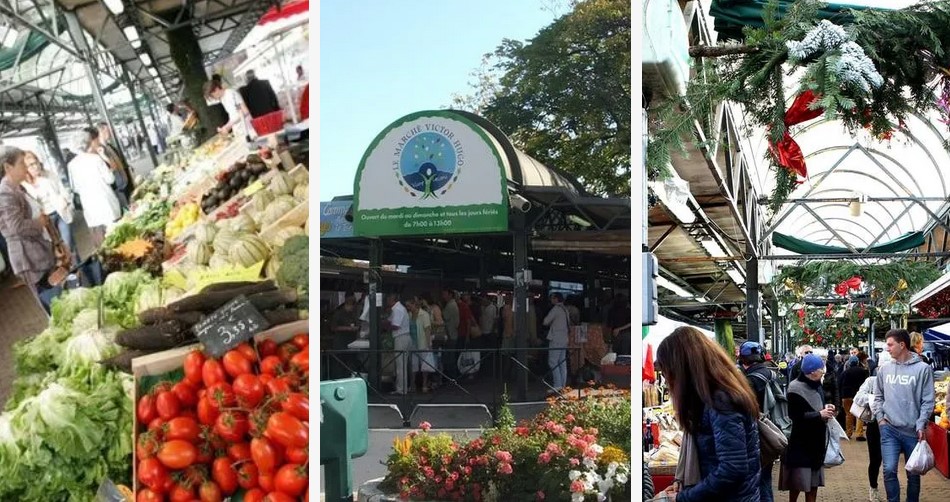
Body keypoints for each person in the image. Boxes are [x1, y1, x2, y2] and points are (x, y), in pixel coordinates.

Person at [657, 327, 760, 502]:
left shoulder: (720, 399)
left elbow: (732, 467)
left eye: (668, 372)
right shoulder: (716, 393)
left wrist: (684, 497)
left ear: (683, 367)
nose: (667, 380)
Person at [873, 329, 935, 502]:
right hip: (889, 429)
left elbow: (928, 400)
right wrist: (880, 419)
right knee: (889, 470)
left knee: (913, 473)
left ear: (902, 345)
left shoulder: (923, 369)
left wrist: (921, 423)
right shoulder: (884, 369)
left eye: (890, 344)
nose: (887, 348)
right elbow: (877, 396)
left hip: (913, 431)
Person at [0, 146, 64, 313]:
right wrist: (40, 222)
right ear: (8, 167)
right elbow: (16, 226)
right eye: (21, 163)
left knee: (56, 295)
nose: (26, 167)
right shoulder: (5, 193)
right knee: (51, 301)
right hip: (29, 257)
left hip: (38, 252)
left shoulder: (17, 187)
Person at [779, 353, 834, 502]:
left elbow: (818, 406)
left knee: (813, 484)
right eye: (820, 369)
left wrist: (827, 409)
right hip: (801, 443)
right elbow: (795, 415)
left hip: (817, 443)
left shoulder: (817, 385)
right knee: (797, 482)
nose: (823, 371)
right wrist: (818, 414)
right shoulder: (795, 387)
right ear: (811, 371)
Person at [21, 151, 79, 266]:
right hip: (46, 220)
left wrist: (66, 201)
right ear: (25, 169)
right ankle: (71, 272)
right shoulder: (25, 185)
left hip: (60, 212)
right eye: (31, 165)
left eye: (36, 162)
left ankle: (80, 268)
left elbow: (63, 189)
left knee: (68, 243)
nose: (35, 166)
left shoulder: (49, 174)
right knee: (57, 250)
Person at [68, 128, 121, 247]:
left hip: (90, 208)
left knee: (103, 241)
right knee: (117, 234)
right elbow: (110, 179)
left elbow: (75, 188)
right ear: (87, 142)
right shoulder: (95, 158)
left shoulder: (71, 165)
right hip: (106, 203)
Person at [738, 341, 776, 502]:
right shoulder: (771, 374)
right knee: (765, 480)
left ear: (742, 359)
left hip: (758, 434)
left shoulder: (750, 381)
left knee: (758, 482)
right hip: (772, 431)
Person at [856, 360, 886, 502]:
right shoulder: (871, 381)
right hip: (875, 425)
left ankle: (892, 491)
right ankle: (873, 488)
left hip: (893, 425)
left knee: (890, 463)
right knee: (875, 460)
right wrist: (872, 399)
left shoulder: (897, 383)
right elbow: (859, 397)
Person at [204, 77, 257, 143]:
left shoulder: (230, 93)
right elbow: (233, 115)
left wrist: (227, 126)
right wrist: (226, 127)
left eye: (212, 96)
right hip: (240, 131)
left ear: (216, 89)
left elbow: (245, 111)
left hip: (248, 130)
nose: (213, 98)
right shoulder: (222, 98)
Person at [97, 122, 134, 207]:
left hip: (124, 181)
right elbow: (111, 167)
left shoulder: (109, 146)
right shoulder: (100, 151)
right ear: (101, 132)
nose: (110, 132)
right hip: (118, 187)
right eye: (107, 130)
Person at [383, 293, 412, 395]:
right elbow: (390, 320)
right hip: (404, 337)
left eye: (388, 299)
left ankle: (401, 389)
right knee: (402, 364)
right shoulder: (397, 309)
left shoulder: (397, 309)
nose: (386, 301)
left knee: (401, 364)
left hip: (401, 337)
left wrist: (386, 326)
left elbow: (395, 325)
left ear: (392, 299)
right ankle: (403, 386)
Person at [542, 292, 571, 394]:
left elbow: (546, 321)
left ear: (556, 299)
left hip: (556, 338)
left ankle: (557, 385)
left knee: (553, 361)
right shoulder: (565, 310)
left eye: (552, 298)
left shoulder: (556, 309)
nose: (551, 300)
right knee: (562, 362)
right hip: (564, 338)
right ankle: (563, 385)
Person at [329, 292, 360, 379]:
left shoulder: (354, 312)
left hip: (351, 342)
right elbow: (333, 327)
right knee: (339, 365)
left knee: (351, 364)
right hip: (340, 342)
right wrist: (348, 328)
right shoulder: (338, 312)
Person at [840, 355, 870, 441]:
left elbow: (840, 383)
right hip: (858, 396)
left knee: (848, 415)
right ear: (857, 362)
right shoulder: (863, 371)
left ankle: (848, 433)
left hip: (846, 396)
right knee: (859, 414)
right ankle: (859, 434)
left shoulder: (845, 372)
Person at [409, 297, 434, 393]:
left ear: (415, 305)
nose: (408, 307)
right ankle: (413, 384)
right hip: (413, 342)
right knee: (413, 365)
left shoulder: (424, 315)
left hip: (423, 342)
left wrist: (428, 344)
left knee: (424, 365)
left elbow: (427, 329)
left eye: (409, 305)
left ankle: (424, 384)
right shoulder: (409, 315)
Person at [441, 289, 460, 378]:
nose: (443, 296)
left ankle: (451, 376)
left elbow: (444, 317)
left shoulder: (450, 306)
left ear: (450, 295)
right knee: (450, 357)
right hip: (453, 334)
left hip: (450, 335)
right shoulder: (452, 305)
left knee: (449, 357)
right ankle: (451, 376)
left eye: (445, 294)